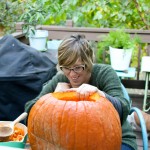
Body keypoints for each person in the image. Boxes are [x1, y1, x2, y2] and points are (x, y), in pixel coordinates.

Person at [25, 34, 137, 150]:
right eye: (67, 67)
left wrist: (100, 94)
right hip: (71, 145)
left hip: (118, 141)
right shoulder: (61, 78)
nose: (72, 74)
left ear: (88, 63)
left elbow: (124, 107)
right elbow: (30, 110)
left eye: (78, 67)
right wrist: (52, 97)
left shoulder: (104, 73)